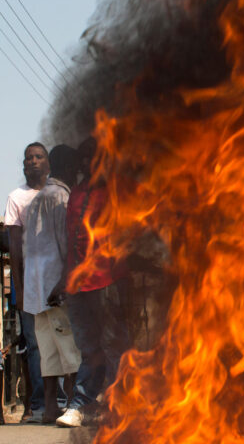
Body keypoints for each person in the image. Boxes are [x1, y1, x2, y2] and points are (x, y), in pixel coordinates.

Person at [50, 138, 132, 428]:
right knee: (89, 349)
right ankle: (83, 406)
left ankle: (114, 405)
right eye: (84, 159)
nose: (87, 165)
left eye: (93, 158)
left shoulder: (117, 191)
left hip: (107, 281)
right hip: (78, 287)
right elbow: (71, 240)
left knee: (113, 347)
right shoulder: (76, 193)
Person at [23, 145, 82, 423]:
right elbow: (66, 243)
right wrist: (65, 282)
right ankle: (74, 407)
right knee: (70, 351)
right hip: (56, 290)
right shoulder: (61, 196)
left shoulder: (37, 198)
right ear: (69, 169)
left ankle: (49, 409)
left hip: (37, 293)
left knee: (48, 356)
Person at [4, 142, 49, 422]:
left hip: (57, 283)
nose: (33, 161)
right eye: (28, 158)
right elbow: (15, 249)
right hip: (30, 283)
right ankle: (39, 405)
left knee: (63, 343)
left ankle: (67, 403)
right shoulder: (16, 198)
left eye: (38, 156)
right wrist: (19, 289)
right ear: (23, 165)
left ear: (48, 163)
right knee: (34, 346)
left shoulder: (59, 194)